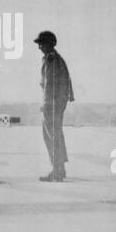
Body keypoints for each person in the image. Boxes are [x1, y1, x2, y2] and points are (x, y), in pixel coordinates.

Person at [34, 31, 74, 182]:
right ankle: (60, 169)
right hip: (57, 102)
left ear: (49, 44)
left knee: (51, 136)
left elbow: (49, 85)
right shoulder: (54, 58)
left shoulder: (51, 60)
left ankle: (57, 171)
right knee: (55, 135)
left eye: (41, 43)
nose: (39, 47)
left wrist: (45, 104)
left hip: (52, 103)